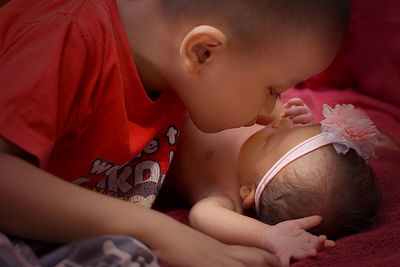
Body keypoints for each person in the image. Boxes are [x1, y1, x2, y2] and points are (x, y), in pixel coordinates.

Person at [0, 0, 351, 266]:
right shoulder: (68, 35)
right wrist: (162, 233)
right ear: (202, 52)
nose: (272, 110)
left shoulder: (173, 74)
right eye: (273, 89)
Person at [164, 100, 384, 266]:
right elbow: (260, 106)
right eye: (298, 129)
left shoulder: (226, 193)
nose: (281, 125)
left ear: (248, 192)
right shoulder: (268, 144)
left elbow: (202, 216)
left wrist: (266, 235)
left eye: (271, 140)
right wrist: (294, 117)